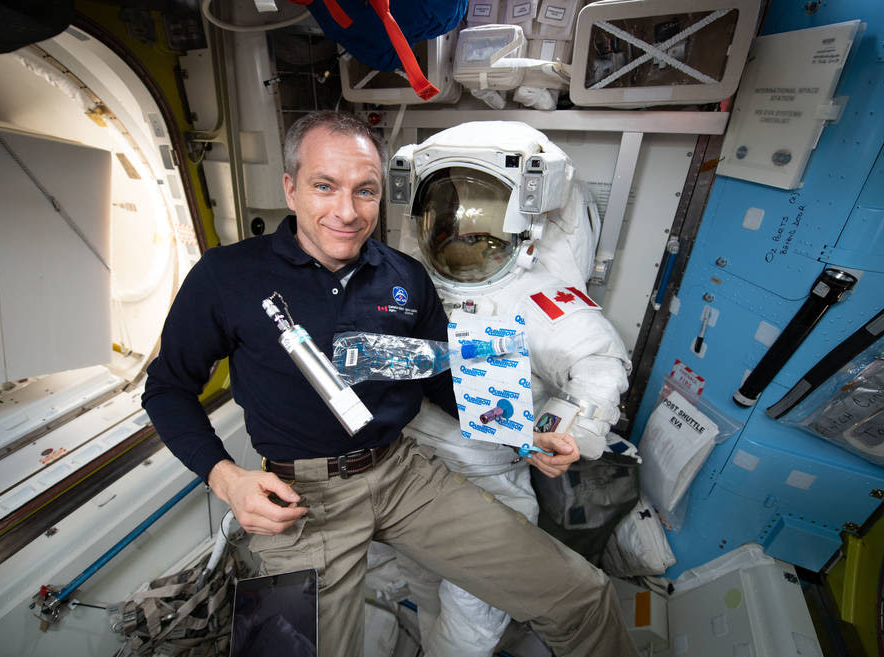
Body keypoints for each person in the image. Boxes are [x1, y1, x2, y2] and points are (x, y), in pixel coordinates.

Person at [142, 110, 638, 657]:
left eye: (366, 191)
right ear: (290, 188)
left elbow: (441, 378)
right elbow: (166, 388)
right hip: (302, 497)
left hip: (402, 474)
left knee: (582, 595)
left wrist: (522, 434)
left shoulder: (405, 276)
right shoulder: (226, 277)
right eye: (324, 186)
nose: (347, 212)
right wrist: (227, 478)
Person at [384, 122, 633, 657]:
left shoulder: (539, 298)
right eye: (449, 207)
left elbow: (598, 363)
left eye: (482, 211)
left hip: (487, 482)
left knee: (471, 615)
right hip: (409, 472)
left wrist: (559, 433)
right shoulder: (405, 281)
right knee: (423, 583)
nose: (462, 228)